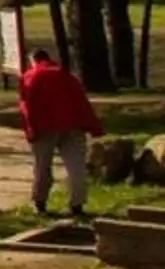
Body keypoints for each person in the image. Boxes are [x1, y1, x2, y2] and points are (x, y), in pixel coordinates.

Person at [18, 44, 103, 216]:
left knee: (42, 167)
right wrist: (93, 126)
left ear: (33, 60)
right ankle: (77, 204)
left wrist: (30, 129)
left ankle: (40, 203)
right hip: (73, 125)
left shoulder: (29, 77)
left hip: (44, 127)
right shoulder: (67, 76)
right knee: (76, 167)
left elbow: (26, 106)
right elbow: (82, 101)